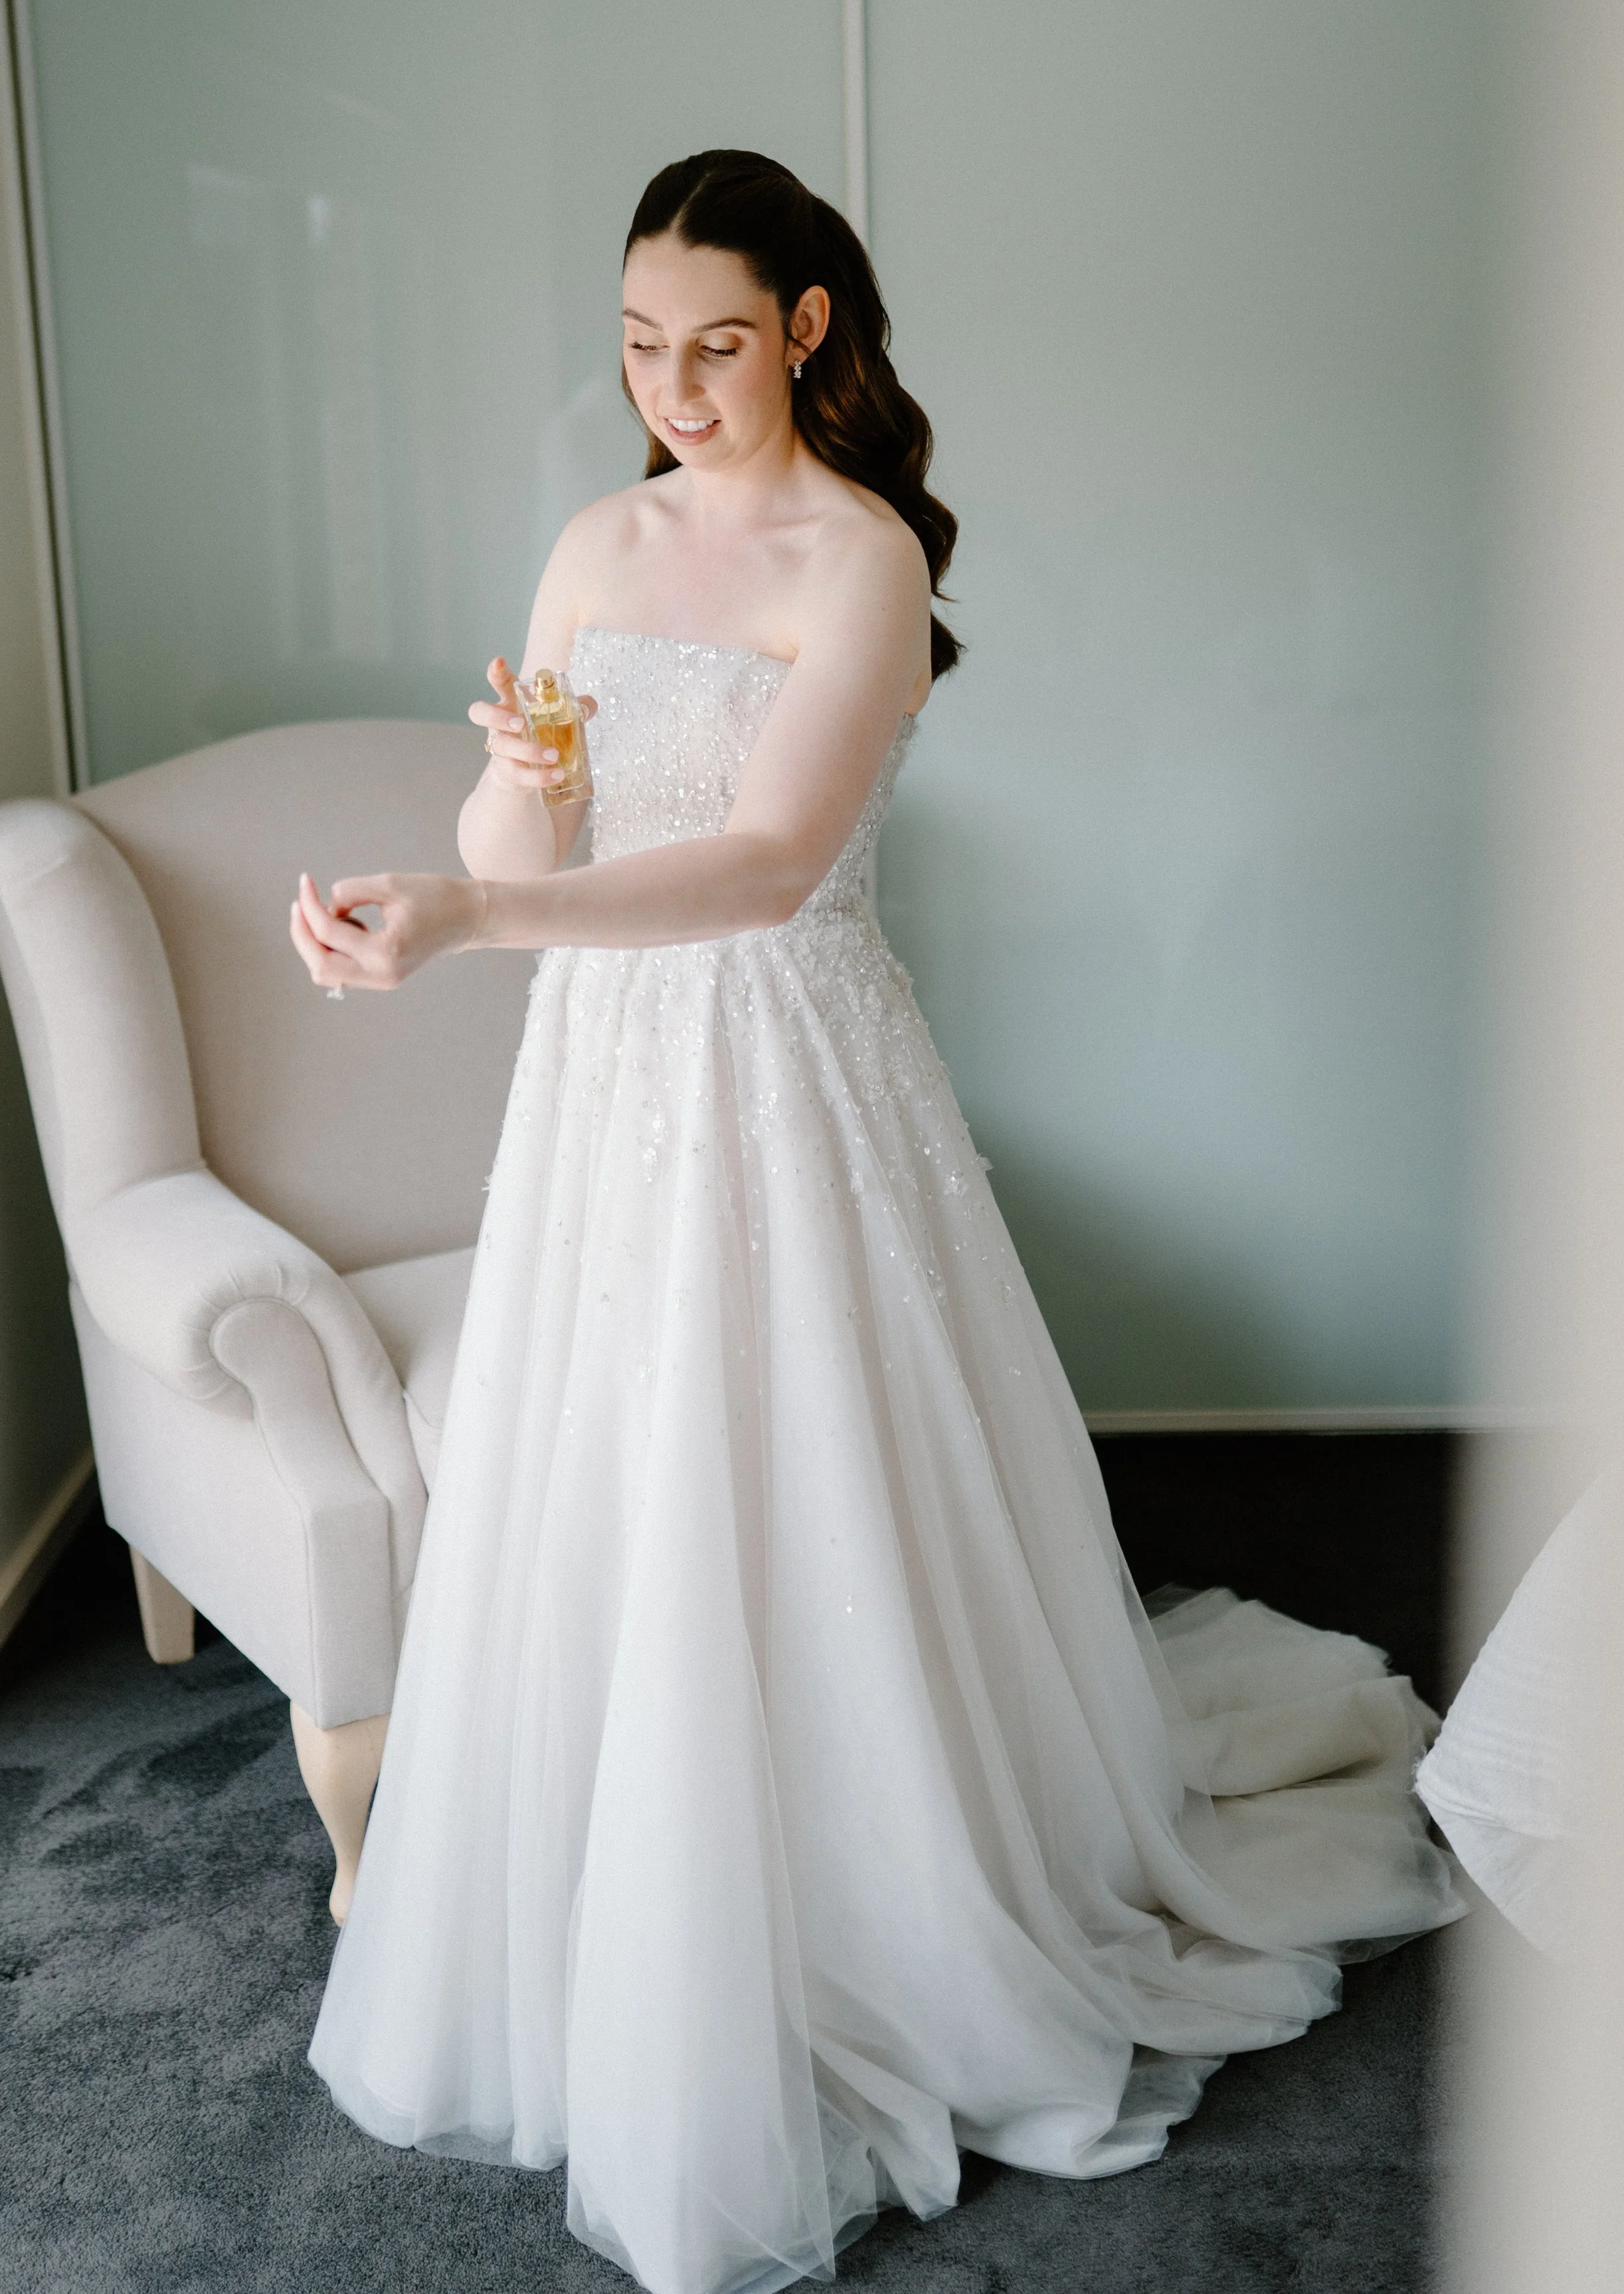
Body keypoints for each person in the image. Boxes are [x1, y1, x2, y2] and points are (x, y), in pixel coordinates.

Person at [292, 149, 1461, 2294]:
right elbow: (520, 813)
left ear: (809, 326)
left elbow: (753, 867)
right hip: (603, 1087)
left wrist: (479, 911)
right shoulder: (596, 537)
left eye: (716, 343)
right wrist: (483, 823)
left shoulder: (864, 565)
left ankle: (888, 1897)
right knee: (616, 1472)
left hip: (783, 1070)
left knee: (808, 1474)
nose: (671, 386)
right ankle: (627, 1898)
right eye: (640, 345)